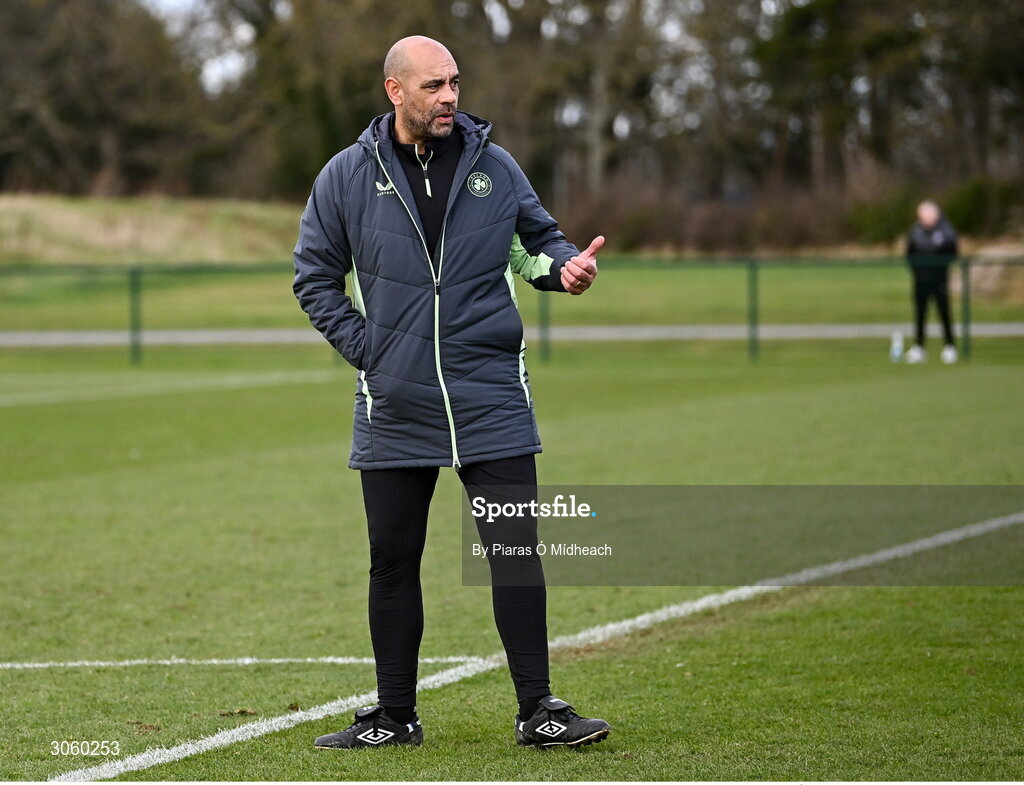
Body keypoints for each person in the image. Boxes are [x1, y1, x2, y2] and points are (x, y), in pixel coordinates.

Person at [292, 35, 611, 750]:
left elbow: (540, 244)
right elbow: (314, 276)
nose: (450, 98)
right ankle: (395, 715)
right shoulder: (346, 176)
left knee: (514, 550)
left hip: (489, 393)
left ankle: (540, 709)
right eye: (434, 86)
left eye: (455, 84)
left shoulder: (494, 167)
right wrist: (370, 351)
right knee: (393, 559)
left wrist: (567, 271)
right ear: (394, 91)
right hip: (395, 402)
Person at [904, 200, 959, 364]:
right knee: (920, 314)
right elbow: (909, 254)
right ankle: (919, 347)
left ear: (935, 214)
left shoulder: (945, 231)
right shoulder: (915, 231)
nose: (924, 217)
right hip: (920, 280)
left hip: (939, 279)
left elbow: (952, 253)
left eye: (927, 214)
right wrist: (918, 271)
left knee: (944, 313)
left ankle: (950, 346)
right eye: (921, 214)